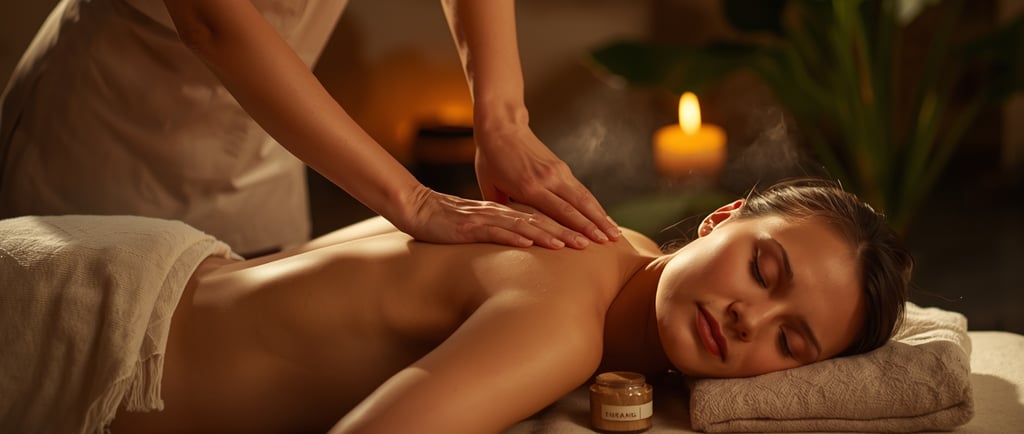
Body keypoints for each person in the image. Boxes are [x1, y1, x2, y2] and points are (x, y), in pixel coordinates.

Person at [88, 179, 910, 433]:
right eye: (765, 271)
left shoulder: (613, 243)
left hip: (145, 261)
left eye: (791, 340)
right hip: (102, 345)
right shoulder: (562, 326)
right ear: (722, 217)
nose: (748, 320)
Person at [0, 0, 620, 257]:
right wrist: (415, 201)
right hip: (103, 134)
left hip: (270, 150)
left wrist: (504, 118)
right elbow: (210, 21)